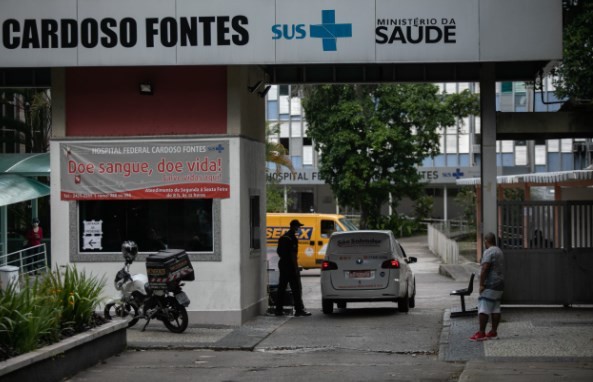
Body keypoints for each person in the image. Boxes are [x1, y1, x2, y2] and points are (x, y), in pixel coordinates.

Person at [470, 232, 505, 341]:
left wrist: (481, 284)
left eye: (484, 241)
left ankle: (481, 333)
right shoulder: (499, 251)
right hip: (500, 284)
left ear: (486, 241)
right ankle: (493, 332)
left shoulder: (489, 251)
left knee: (483, 307)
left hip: (490, 284)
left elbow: (485, 268)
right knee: (495, 307)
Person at [274, 219, 312, 317]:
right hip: (290, 266)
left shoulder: (283, 237)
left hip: (282, 264)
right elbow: (292, 255)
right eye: (298, 226)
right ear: (293, 226)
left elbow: (279, 252)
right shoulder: (292, 238)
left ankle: (278, 310)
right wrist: (295, 268)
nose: (298, 228)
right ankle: (299, 310)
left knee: (281, 288)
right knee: (296, 289)